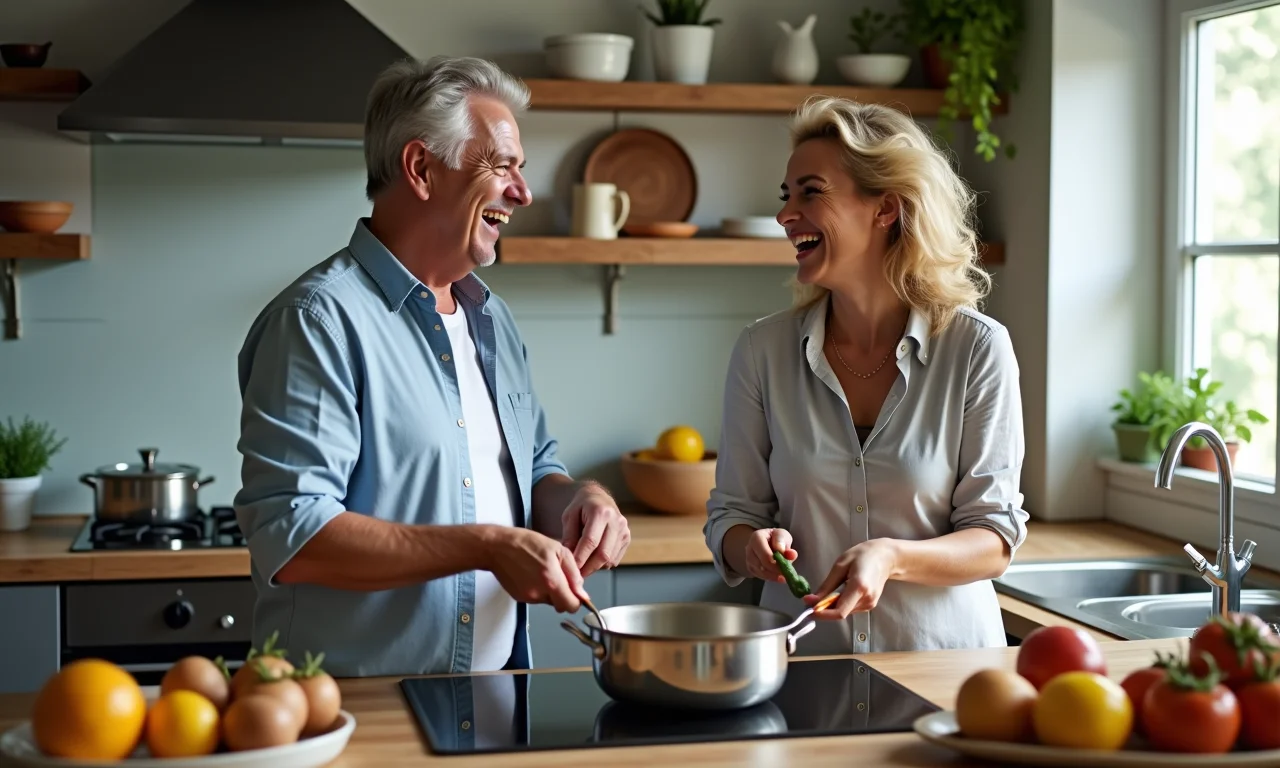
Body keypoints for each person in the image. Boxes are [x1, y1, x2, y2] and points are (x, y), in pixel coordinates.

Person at [233, 56, 630, 678]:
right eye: (501, 166)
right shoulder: (317, 321)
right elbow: (294, 532)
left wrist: (585, 499)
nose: (522, 192)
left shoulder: (492, 318)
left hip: (492, 694)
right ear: (421, 168)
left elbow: (534, 468)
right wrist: (488, 547)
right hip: (353, 706)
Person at [704, 96, 1029, 655]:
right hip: (804, 672)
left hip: (944, 674)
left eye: (811, 192)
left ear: (885, 209)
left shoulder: (977, 349)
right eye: (786, 196)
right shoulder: (762, 352)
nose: (785, 215)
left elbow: (994, 539)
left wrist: (892, 557)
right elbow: (733, 515)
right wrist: (749, 546)